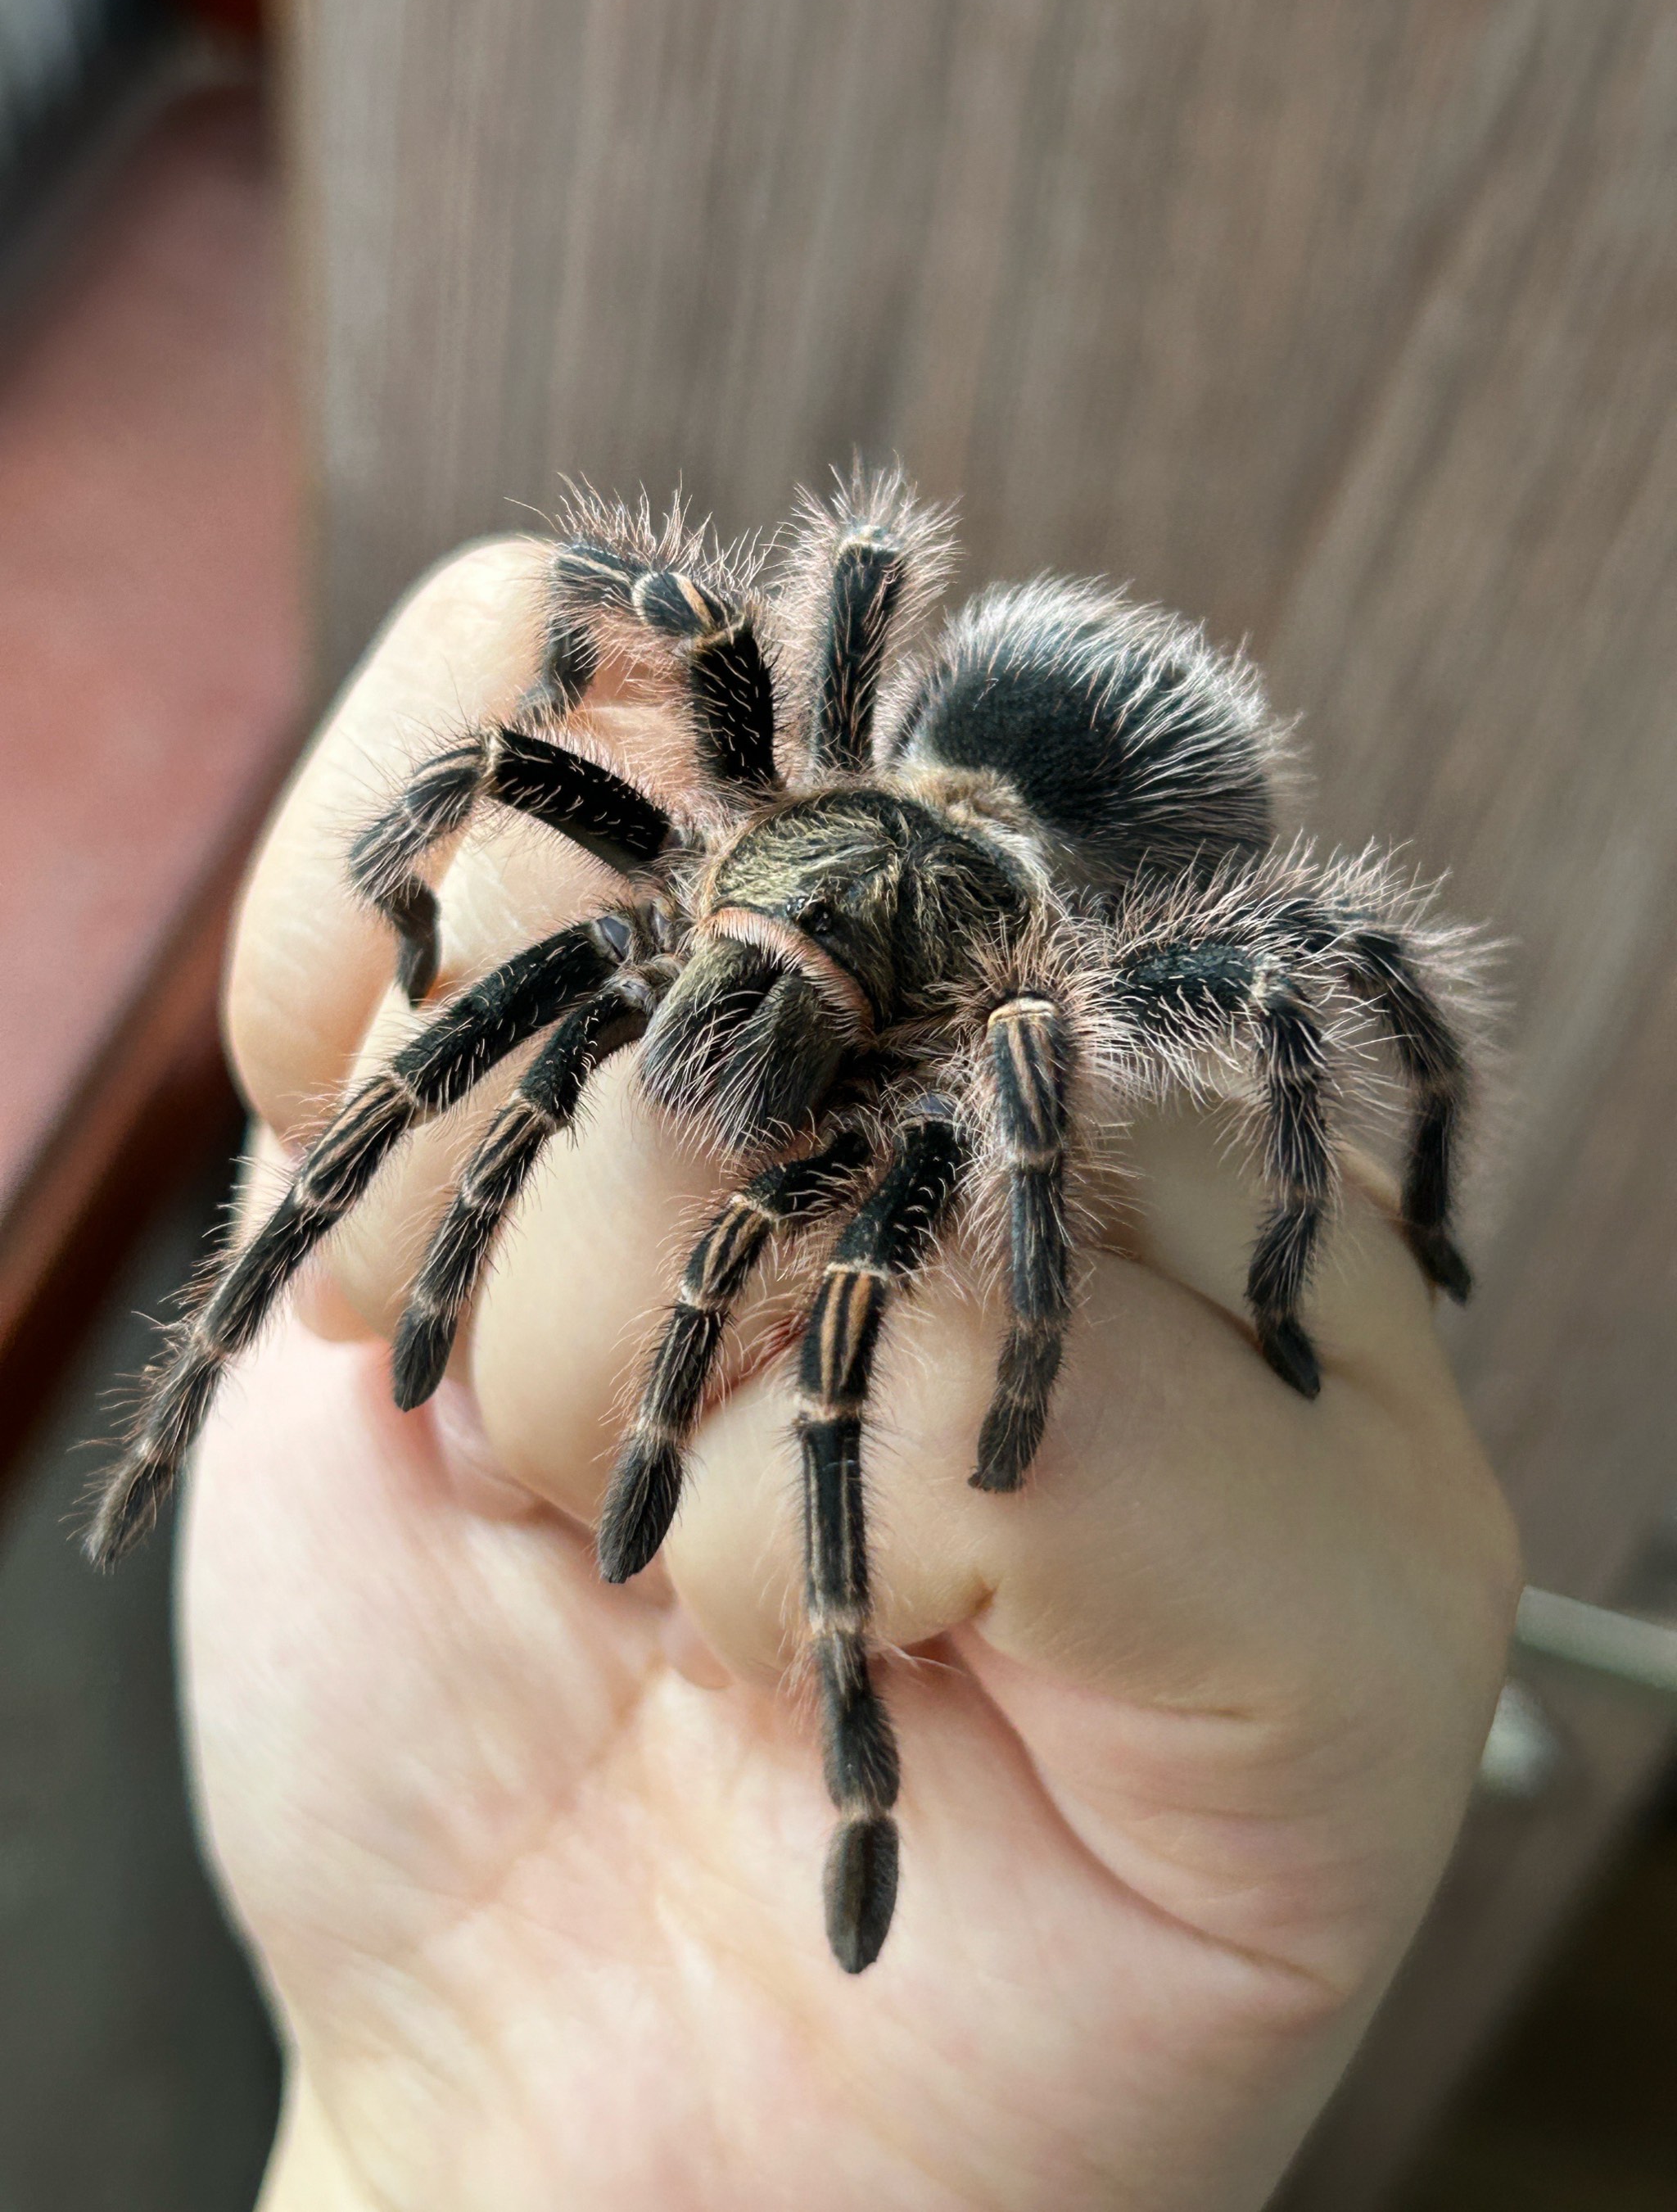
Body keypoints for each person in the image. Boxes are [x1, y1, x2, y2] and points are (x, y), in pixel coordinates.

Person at [180, 540, 1518, 2211]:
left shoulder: (1017, 1026)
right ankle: (196, 1374)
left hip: (1082, 885)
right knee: (463, 1042)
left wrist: (1049, 1347)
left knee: (909, 1288)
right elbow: (522, 721)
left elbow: (1325, 996)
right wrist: (423, 889)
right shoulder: (681, 859)